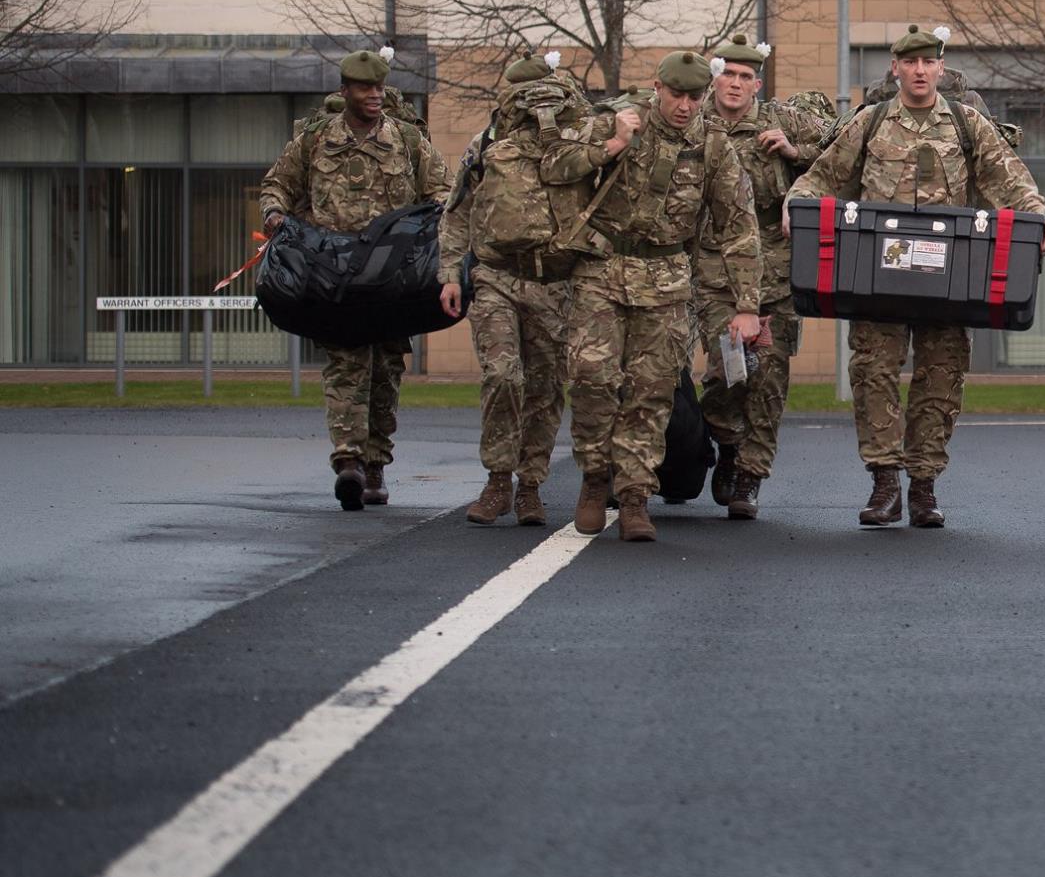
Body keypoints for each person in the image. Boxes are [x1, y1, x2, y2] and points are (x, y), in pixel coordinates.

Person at [785, 24, 1045, 529]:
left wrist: (1040, 219)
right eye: (910, 63)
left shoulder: (968, 123)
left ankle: (924, 487)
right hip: (877, 276)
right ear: (896, 68)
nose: (920, 71)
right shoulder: (871, 121)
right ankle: (885, 484)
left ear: (940, 68)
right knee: (873, 375)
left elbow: (1011, 181)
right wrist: (796, 204)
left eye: (929, 62)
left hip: (948, 279)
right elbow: (823, 175)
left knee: (941, 379)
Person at [547, 51, 763, 543]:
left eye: (695, 97)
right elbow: (555, 166)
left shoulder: (712, 144)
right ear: (657, 89)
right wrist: (612, 145)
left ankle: (636, 497)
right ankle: (595, 476)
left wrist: (747, 306)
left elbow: (738, 227)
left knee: (652, 391)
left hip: (665, 278)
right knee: (592, 380)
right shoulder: (615, 119)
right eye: (677, 95)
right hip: (601, 271)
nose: (685, 106)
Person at [259, 46, 449, 510]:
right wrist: (275, 212)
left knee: (385, 371)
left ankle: (376, 467)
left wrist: (436, 227)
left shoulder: (407, 141)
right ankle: (348, 462)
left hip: (392, 278)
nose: (374, 95)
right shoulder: (315, 139)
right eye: (365, 87)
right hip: (335, 274)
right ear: (344, 91)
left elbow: (443, 190)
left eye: (380, 87)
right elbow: (277, 184)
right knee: (346, 365)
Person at [438, 52, 580, 528]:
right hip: (495, 276)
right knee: (503, 375)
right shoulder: (485, 146)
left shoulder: (572, 145)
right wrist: (450, 275)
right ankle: (499, 479)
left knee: (544, 387)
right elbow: (457, 213)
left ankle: (531, 486)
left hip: (554, 282)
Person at [698, 36, 831, 520]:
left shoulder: (782, 120)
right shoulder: (695, 124)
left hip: (776, 273)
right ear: (714, 78)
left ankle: (750, 475)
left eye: (745, 77)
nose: (735, 84)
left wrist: (796, 152)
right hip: (717, 272)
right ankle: (728, 441)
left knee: (769, 374)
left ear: (758, 83)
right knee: (727, 366)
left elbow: (846, 149)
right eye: (727, 75)